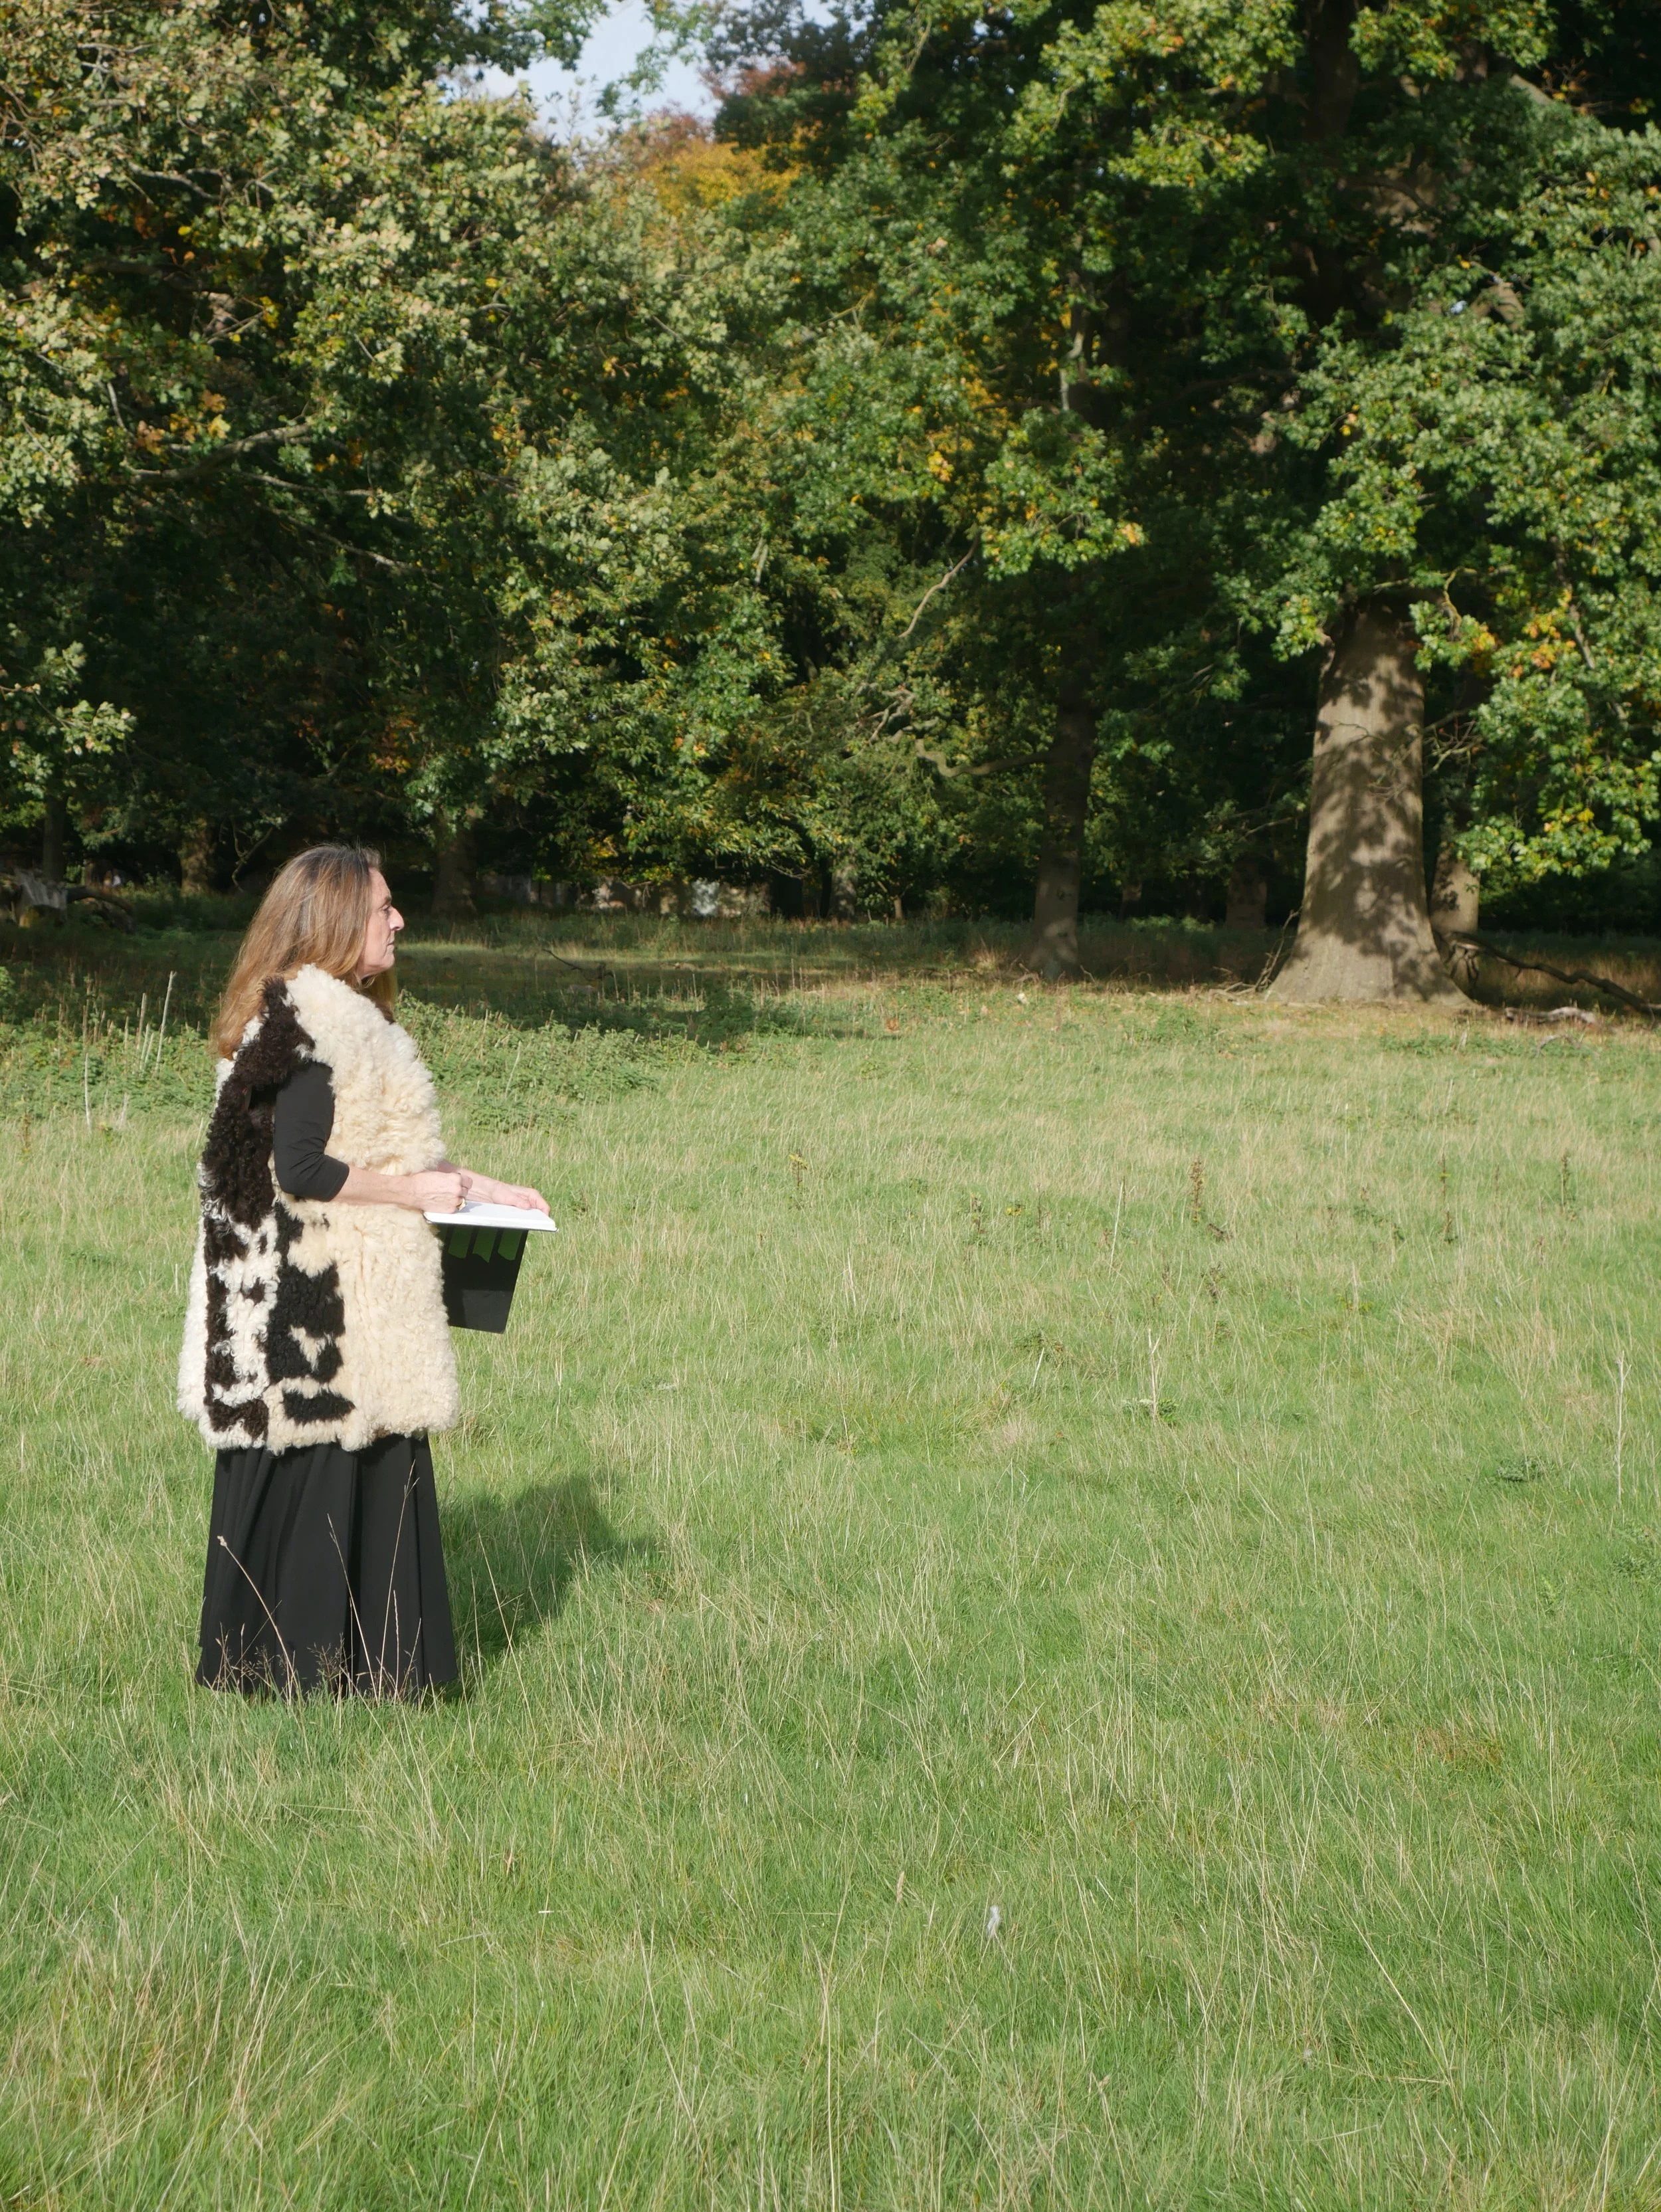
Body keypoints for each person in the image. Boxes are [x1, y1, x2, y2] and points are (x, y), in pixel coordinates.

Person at [178, 845, 547, 1696]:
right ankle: (311, 1673)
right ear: (337, 918)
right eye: (384, 907)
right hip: (315, 1311)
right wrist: (414, 1192)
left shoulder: (330, 1015)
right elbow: (301, 1167)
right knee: (329, 1454)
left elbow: (373, 1145)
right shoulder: (313, 1024)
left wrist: (481, 1187)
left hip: (330, 1299)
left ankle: (346, 1673)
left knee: (356, 1458)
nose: (398, 920)